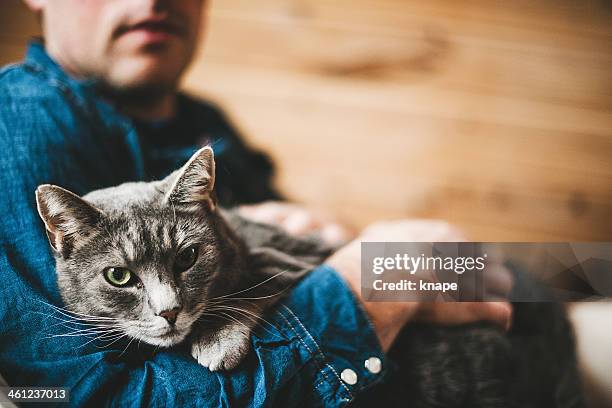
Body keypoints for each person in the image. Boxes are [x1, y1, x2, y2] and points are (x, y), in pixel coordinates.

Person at [0, 0, 511, 406]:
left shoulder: (204, 123)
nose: (152, 1)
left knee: (531, 275)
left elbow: (305, 253)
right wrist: (378, 289)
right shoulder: (15, 131)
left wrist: (334, 234)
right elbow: (88, 398)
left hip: (481, 328)